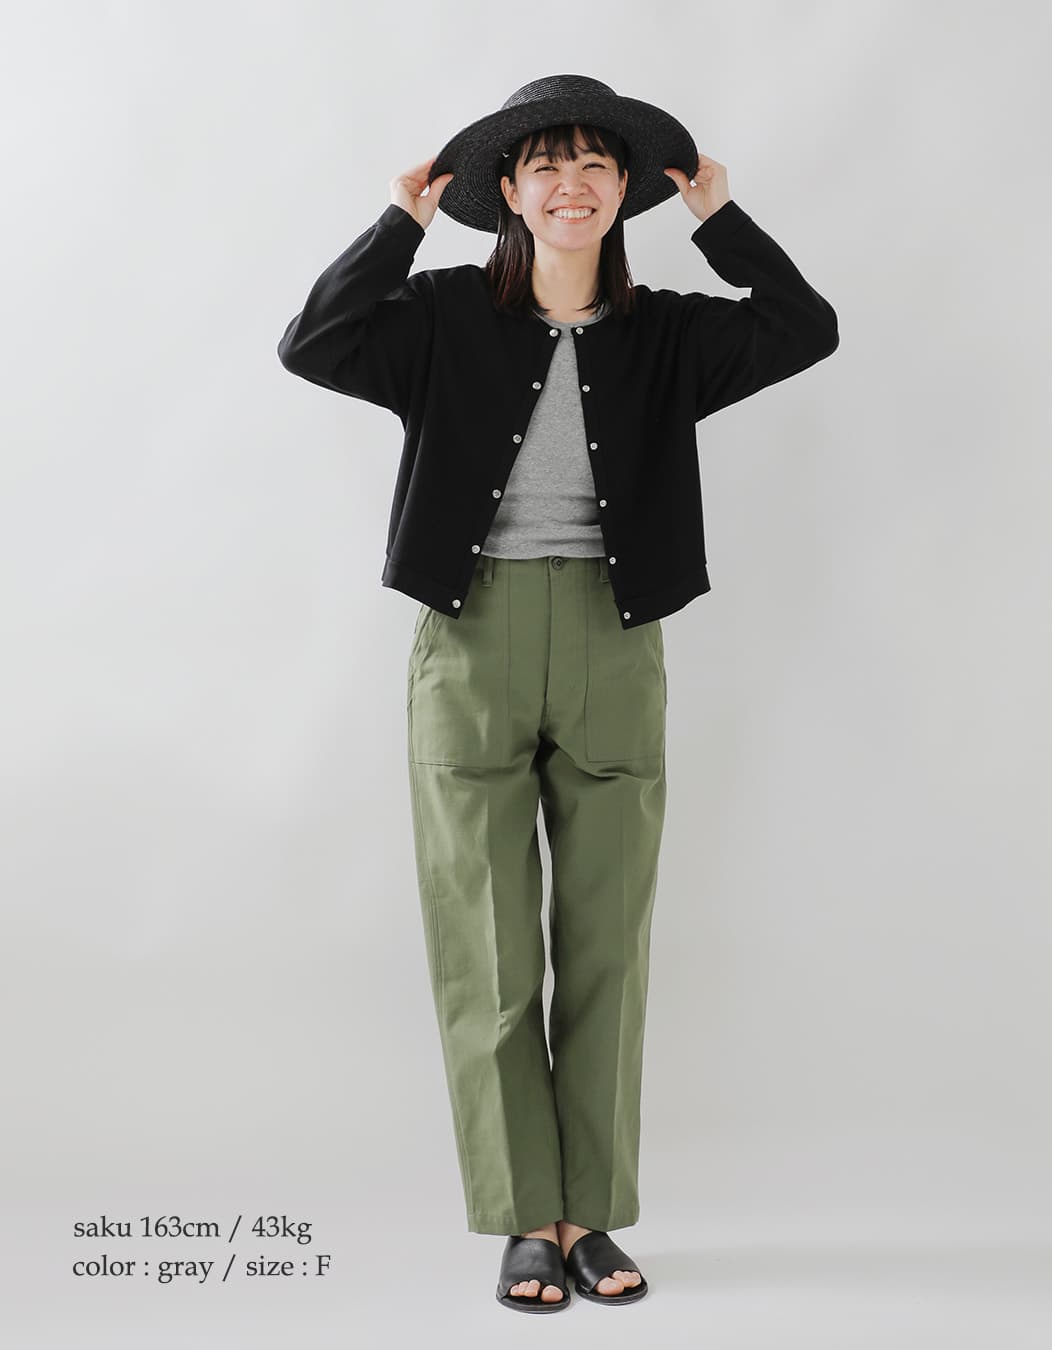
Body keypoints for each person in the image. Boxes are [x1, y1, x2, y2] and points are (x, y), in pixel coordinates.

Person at [277, 74, 839, 1314]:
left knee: (606, 947)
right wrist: (398, 225)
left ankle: (590, 1217)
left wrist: (721, 219)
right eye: (547, 166)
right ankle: (526, 1218)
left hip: (612, 639)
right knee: (485, 949)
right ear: (511, 196)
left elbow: (806, 327)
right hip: (469, 638)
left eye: (595, 165)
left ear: (624, 192)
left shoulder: (670, 334)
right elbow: (312, 341)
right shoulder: (438, 315)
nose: (572, 184)